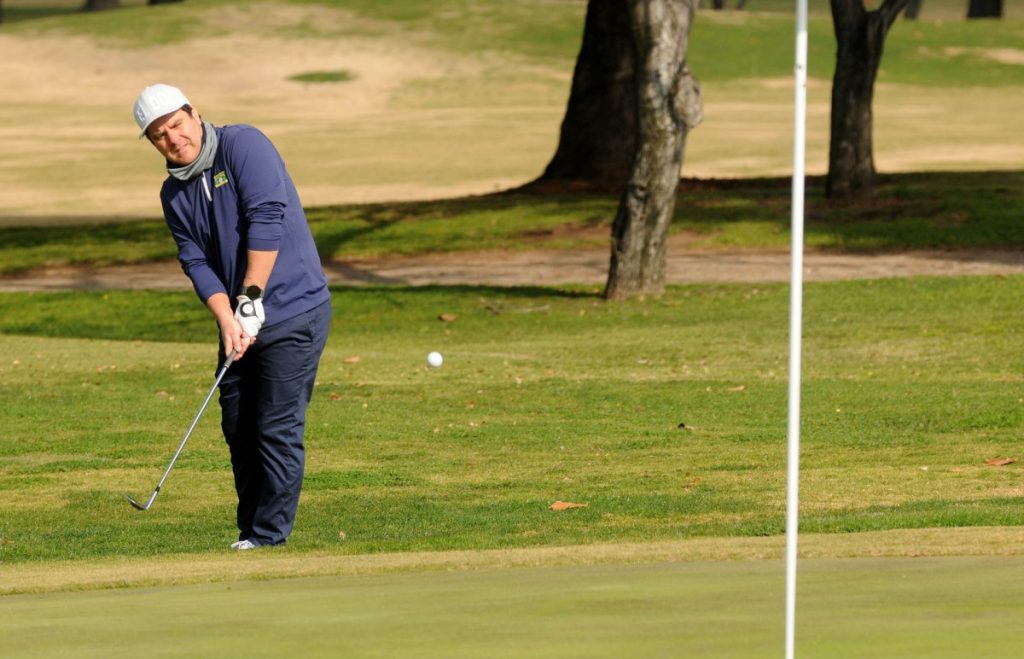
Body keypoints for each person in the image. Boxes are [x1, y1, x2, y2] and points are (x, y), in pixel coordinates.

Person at [133, 83, 331, 551]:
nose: (173, 138)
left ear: (195, 114)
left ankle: (268, 536)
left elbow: (267, 217)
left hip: (294, 308)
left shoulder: (243, 144)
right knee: (238, 425)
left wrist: (251, 297)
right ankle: (249, 533)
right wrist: (227, 316)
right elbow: (195, 260)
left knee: (276, 427)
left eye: (176, 125)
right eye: (159, 135)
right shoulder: (173, 193)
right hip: (239, 321)